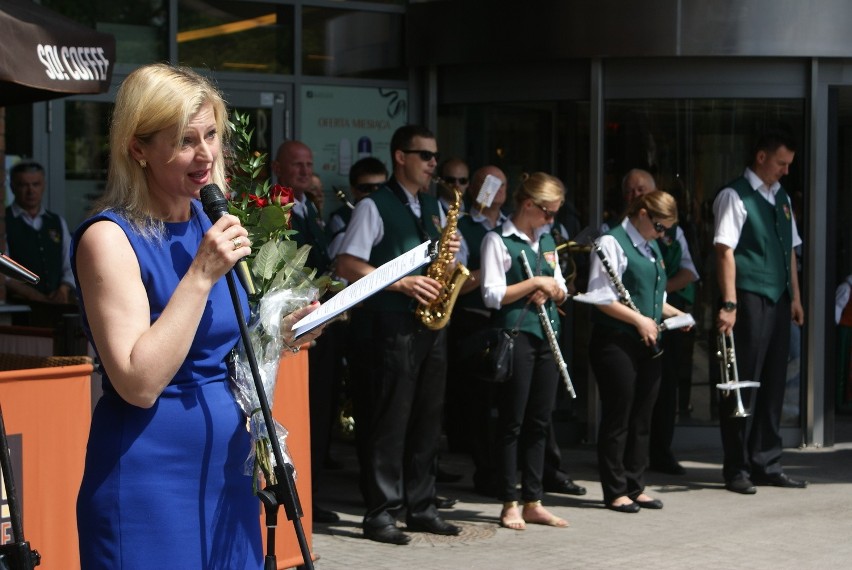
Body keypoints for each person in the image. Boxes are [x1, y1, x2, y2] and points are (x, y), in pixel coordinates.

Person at [72, 63, 322, 569]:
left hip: (226, 469)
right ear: (137, 148)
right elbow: (137, 382)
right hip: (148, 477)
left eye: (211, 134)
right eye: (185, 140)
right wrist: (201, 274)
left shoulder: (210, 222)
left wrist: (285, 332)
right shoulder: (110, 239)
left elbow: (222, 345)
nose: (206, 153)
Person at [336, 124, 462, 545]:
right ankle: (380, 513)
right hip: (389, 327)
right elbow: (348, 264)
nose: (432, 165)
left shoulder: (433, 206)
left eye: (434, 157)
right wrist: (403, 283)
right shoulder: (374, 206)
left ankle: (422, 506)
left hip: (429, 325)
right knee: (388, 421)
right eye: (425, 156)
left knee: (428, 420)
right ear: (400, 157)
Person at [713, 130, 807, 494]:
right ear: (762, 157)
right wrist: (730, 303)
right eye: (781, 163)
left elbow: (790, 252)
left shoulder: (780, 197)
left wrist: (796, 298)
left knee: (772, 384)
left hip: (779, 299)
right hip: (748, 299)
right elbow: (724, 251)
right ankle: (735, 468)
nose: (785, 171)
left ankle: (766, 462)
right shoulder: (734, 195)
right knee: (742, 384)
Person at [585, 190, 689, 513]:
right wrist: (640, 321)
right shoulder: (611, 243)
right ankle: (615, 490)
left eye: (666, 230)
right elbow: (601, 297)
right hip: (616, 341)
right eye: (660, 226)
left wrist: (673, 314)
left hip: (647, 340)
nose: (662, 234)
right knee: (620, 414)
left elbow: (652, 296)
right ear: (642, 214)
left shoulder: (651, 244)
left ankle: (635, 483)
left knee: (643, 415)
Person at [480, 172, 570, 531]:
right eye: (547, 213)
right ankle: (509, 501)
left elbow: (561, 286)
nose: (551, 221)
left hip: (547, 339)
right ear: (529, 205)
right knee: (512, 421)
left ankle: (534, 498)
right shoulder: (497, 240)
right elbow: (491, 294)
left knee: (539, 421)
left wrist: (552, 290)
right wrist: (533, 283)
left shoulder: (545, 240)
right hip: (516, 337)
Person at [271, 140, 341, 523]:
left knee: (322, 412)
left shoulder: (308, 208)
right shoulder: (274, 209)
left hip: (320, 322)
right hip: (293, 328)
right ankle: (302, 500)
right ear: (277, 167)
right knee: (302, 412)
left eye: (309, 164)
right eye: (296, 164)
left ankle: (313, 495)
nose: (304, 171)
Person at [617, 169, 700, 475]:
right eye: (630, 190)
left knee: (662, 391)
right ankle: (623, 465)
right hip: (626, 323)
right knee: (627, 399)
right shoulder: (615, 234)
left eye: (641, 189)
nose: (635, 195)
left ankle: (659, 453)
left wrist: (659, 297)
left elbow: (690, 272)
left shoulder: (668, 234)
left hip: (661, 317)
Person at [450, 165, 509, 496]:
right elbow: (458, 281)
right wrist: (491, 267)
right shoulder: (463, 225)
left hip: (505, 319)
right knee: (479, 404)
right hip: (473, 319)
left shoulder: (510, 226)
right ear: (474, 188)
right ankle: (486, 472)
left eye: (501, 184)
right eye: (488, 183)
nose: (496, 189)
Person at [5, 161, 76, 318]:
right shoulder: (4, 222)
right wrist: (35, 297)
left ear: (43, 185)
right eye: (23, 185)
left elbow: (70, 263)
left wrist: (64, 288)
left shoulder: (56, 222)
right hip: (20, 311)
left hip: (57, 310)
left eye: (35, 184)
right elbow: (5, 274)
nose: (30, 191)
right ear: (12, 187)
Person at [327, 156, 388, 259]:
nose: (375, 195)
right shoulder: (340, 221)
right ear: (353, 190)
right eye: (366, 188)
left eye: (381, 188)